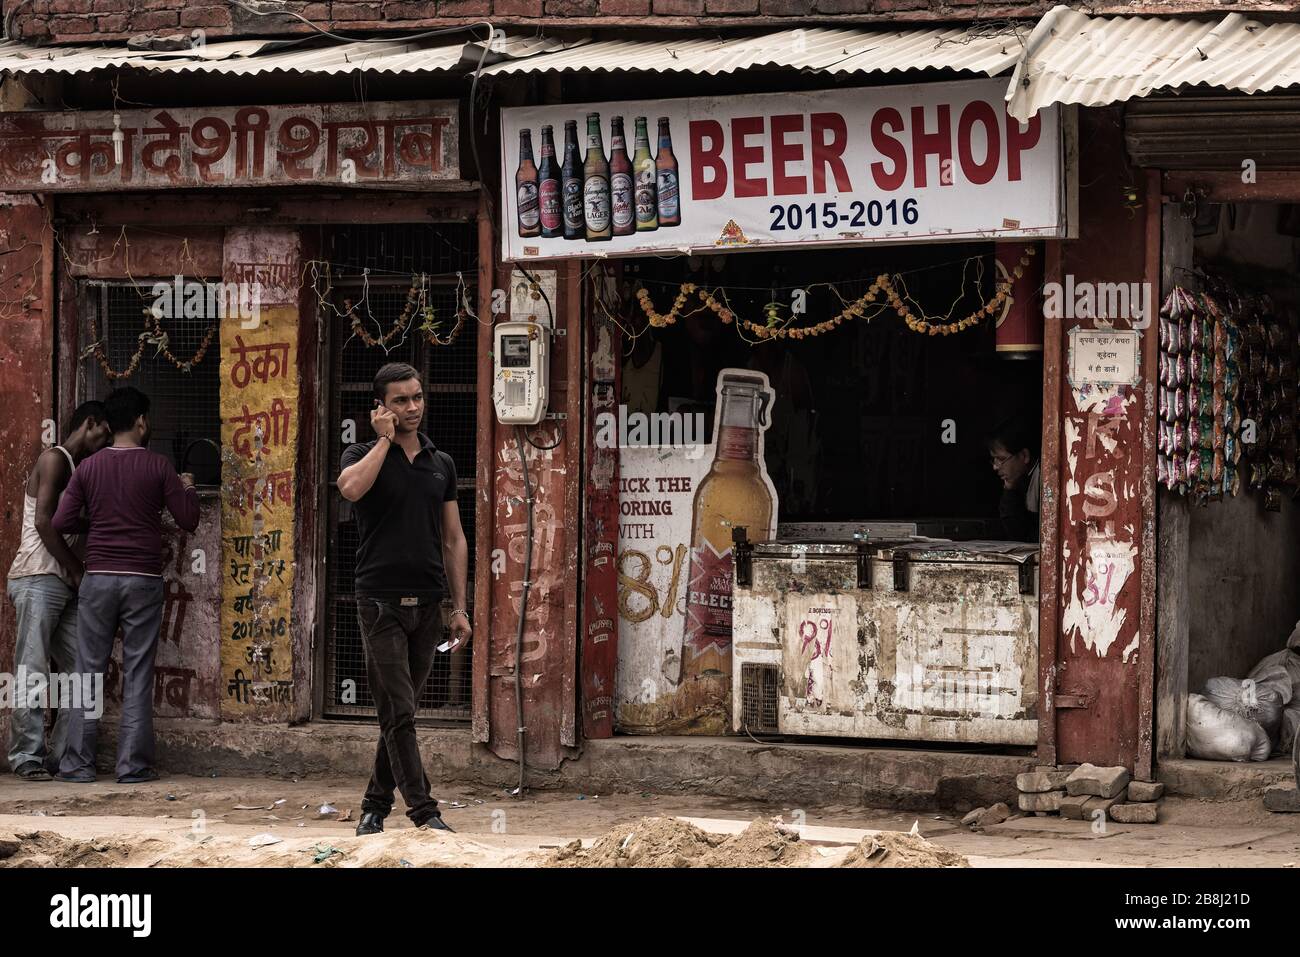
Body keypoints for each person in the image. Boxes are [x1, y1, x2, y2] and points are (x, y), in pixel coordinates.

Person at [338, 362, 471, 836]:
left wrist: (459, 608)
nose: (412, 407)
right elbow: (350, 489)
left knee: (400, 712)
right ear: (382, 407)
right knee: (399, 710)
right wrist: (383, 441)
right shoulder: (362, 453)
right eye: (400, 400)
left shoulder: (442, 463)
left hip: (430, 604)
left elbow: (454, 539)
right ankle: (424, 812)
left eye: (417, 397)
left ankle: (374, 805)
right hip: (379, 603)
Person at [51, 386, 200, 784]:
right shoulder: (158, 466)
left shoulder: (88, 468)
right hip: (143, 580)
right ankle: (132, 767)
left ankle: (77, 765)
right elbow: (187, 520)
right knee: (137, 671)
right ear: (140, 421)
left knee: (87, 672)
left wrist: (97, 525)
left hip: (98, 577)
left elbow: (61, 521)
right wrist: (187, 487)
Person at [6, 402, 111, 780]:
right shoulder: (55, 459)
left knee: (83, 669)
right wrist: (76, 569)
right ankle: (26, 756)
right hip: (37, 576)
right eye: (105, 432)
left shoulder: (79, 469)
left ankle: (64, 754)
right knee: (32, 669)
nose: (107, 440)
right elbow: (45, 522)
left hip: (60, 582)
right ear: (90, 424)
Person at [988, 418, 1042, 543]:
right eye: (993, 460)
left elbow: (1027, 537)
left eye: (1001, 459)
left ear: (1024, 456)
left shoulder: (1043, 478)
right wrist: (1009, 488)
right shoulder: (1020, 479)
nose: (995, 467)